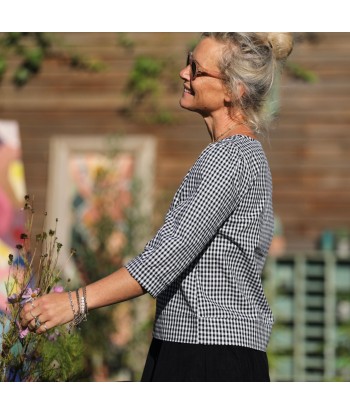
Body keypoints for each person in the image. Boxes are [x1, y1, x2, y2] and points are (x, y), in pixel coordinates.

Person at [20, 32, 294, 382]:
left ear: (233, 90)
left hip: (204, 354)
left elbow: (166, 258)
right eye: (187, 60)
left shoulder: (228, 156)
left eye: (196, 69)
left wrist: (74, 303)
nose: (183, 73)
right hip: (211, 348)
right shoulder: (246, 155)